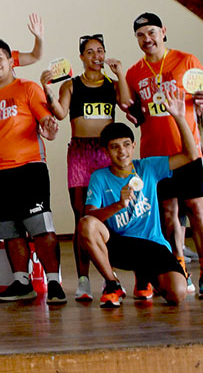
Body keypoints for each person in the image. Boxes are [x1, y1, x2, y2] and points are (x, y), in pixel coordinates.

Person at [0, 39, 66, 303]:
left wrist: (50, 128)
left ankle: (53, 282)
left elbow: (47, 122)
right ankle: (22, 281)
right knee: (10, 231)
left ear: (11, 61)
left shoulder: (28, 88)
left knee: (41, 227)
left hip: (30, 168)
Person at [78, 89, 196, 307]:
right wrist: (119, 204)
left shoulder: (148, 167)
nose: (121, 151)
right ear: (106, 151)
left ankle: (148, 277)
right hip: (120, 244)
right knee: (86, 224)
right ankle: (112, 284)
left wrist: (180, 117)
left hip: (153, 244)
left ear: (133, 146)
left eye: (126, 145)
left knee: (178, 294)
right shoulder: (100, 177)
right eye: (114, 147)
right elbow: (90, 216)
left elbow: (190, 155)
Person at [40, 34, 130, 301]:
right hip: (80, 152)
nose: (96, 56)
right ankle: (83, 279)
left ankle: (109, 276)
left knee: (109, 213)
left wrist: (120, 73)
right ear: (81, 57)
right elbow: (59, 113)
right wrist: (46, 89)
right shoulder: (72, 84)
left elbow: (126, 103)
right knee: (81, 214)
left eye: (99, 50)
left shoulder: (113, 84)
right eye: (89, 52)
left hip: (106, 153)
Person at [124, 12, 203, 298]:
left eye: (151, 32)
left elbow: (202, 98)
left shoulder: (187, 61)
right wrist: (132, 114)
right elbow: (135, 111)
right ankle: (179, 268)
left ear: (163, 31)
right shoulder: (134, 72)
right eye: (140, 35)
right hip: (156, 157)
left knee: (197, 209)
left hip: (187, 150)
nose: (146, 39)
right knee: (168, 214)